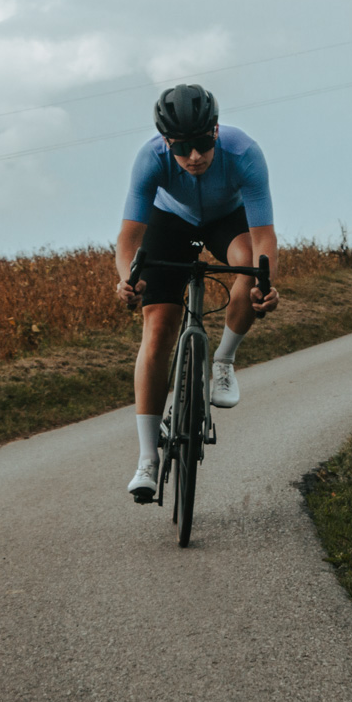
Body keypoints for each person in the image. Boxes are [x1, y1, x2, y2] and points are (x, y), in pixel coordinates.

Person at [115, 84, 279, 501]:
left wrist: (266, 285)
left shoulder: (244, 154)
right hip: (171, 223)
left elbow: (264, 240)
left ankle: (222, 360)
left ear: (216, 131)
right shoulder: (149, 160)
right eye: (181, 148)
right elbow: (129, 240)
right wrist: (128, 280)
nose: (193, 157)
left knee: (247, 268)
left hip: (227, 219)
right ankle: (147, 459)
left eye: (203, 144)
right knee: (158, 328)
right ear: (166, 142)